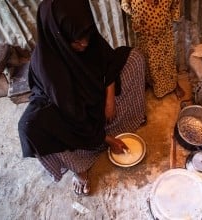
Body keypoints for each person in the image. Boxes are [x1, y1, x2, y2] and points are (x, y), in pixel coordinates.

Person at [18, 0, 146, 196]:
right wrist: (106, 138)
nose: (85, 44)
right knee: (31, 127)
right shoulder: (48, 65)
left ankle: (115, 126)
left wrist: (109, 99)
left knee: (135, 58)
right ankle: (80, 168)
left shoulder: (85, 36)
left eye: (86, 35)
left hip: (94, 96)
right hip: (67, 112)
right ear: (59, 37)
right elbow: (73, 113)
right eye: (76, 41)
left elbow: (108, 62)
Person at [121, 0, 185, 99]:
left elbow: (175, 4)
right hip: (144, 30)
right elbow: (125, 4)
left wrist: (169, 16)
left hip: (164, 29)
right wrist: (137, 13)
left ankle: (173, 84)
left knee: (168, 57)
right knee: (148, 59)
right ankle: (149, 82)